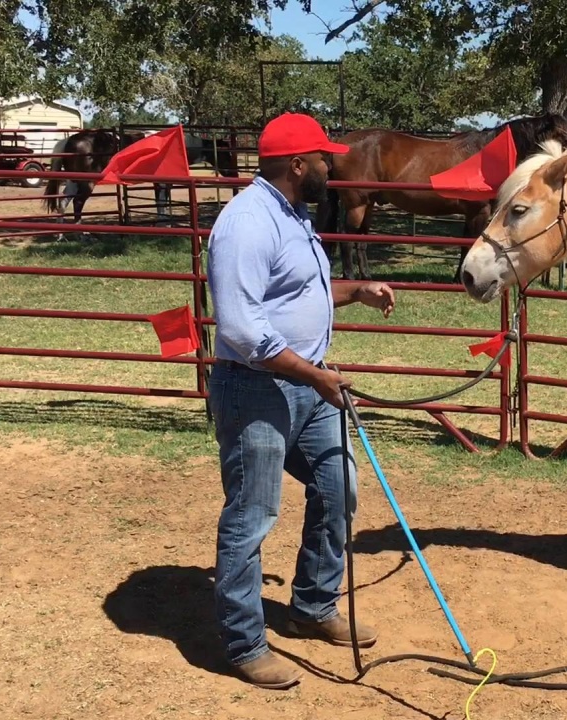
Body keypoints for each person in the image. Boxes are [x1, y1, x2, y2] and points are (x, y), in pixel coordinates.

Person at [205, 112, 395, 690]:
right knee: (253, 511)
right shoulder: (245, 224)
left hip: (306, 385)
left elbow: (297, 289)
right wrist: (312, 375)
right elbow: (241, 327)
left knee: (339, 488)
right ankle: (243, 643)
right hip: (258, 388)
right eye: (322, 157)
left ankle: (312, 605)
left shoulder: (294, 214)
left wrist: (352, 291)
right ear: (296, 164)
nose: (330, 165)